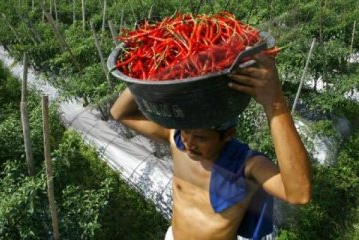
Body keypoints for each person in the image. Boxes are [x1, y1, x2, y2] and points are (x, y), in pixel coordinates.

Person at [110, 52, 311, 240]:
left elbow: (299, 194)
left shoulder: (246, 166)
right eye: (186, 131)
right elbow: (119, 113)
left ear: (227, 135)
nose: (189, 142)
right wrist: (152, 76)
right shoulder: (176, 140)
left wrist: (275, 104)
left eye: (201, 138)